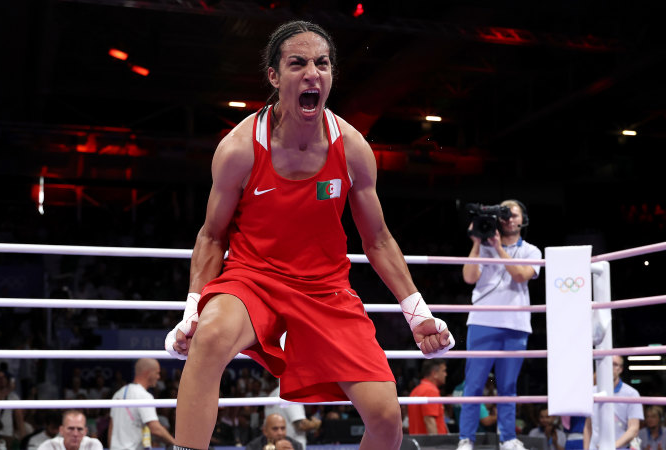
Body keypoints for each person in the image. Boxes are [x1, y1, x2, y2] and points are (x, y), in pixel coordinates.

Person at [165, 20, 454, 450]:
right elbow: (211, 237)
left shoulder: (352, 148)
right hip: (252, 281)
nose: (311, 72)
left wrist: (416, 311)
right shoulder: (239, 148)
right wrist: (192, 308)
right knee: (208, 338)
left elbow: (377, 240)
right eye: (297, 63)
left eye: (322, 63)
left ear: (332, 75)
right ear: (274, 76)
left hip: (326, 291)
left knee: (386, 418)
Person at [458, 199, 541, 450]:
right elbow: (469, 278)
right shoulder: (483, 248)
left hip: (515, 323)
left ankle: (508, 438)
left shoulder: (532, 251)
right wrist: (477, 243)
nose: (508, 219)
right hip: (483, 321)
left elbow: (520, 276)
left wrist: (499, 249)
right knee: (473, 383)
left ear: (522, 220)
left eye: (512, 214)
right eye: (503, 215)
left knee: (508, 386)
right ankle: (466, 438)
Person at [108, 358, 176, 449]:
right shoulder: (144, 396)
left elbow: (111, 428)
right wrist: (175, 443)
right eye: (157, 373)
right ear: (149, 373)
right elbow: (155, 429)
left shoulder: (118, 393)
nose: (158, 377)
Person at [584, 355, 643, 449]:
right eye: (608, 364)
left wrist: (611, 447)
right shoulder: (592, 392)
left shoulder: (631, 394)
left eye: (615, 364)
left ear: (621, 369)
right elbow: (588, 426)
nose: (611, 368)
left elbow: (634, 428)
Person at [266, 384, 321, 448]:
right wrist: (315, 424)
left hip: (274, 443)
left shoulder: (274, 393)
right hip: (291, 444)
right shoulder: (290, 392)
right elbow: (301, 425)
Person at [408, 359, 448, 435]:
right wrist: (435, 445)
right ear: (434, 373)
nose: (446, 374)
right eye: (443, 371)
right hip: (430, 444)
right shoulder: (430, 391)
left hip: (418, 441)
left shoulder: (416, 390)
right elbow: (429, 421)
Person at [37, 410, 102, 450]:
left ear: (85, 432)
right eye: (71, 428)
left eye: (79, 429)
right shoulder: (49, 446)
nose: (75, 434)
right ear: (61, 430)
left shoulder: (92, 445)